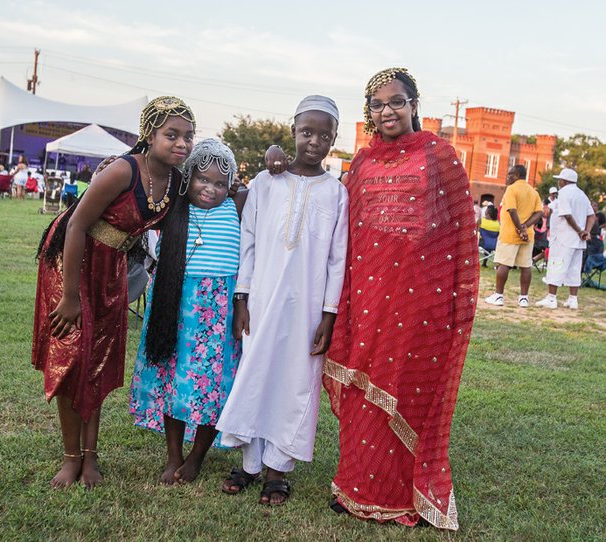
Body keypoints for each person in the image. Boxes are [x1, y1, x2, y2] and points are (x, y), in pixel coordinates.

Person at [270, 68, 478, 529]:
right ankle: (356, 488)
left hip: (418, 299)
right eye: (378, 105)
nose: (387, 111)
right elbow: (340, 225)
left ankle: (405, 495)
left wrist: (447, 300)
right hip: (365, 293)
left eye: (396, 102)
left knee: (407, 386)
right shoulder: (361, 163)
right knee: (363, 387)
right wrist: (280, 169)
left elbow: (458, 232)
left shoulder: (439, 156)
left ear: (414, 105)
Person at [32, 96, 195, 489]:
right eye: (171, 135)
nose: (181, 144)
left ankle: (91, 459)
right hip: (71, 264)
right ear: (149, 135)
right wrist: (70, 298)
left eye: (188, 136)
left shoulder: (175, 181)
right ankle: (72, 459)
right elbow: (75, 227)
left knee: (98, 361)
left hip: (112, 268)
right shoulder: (122, 171)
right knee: (74, 361)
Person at [216, 95, 349, 506]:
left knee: (294, 383)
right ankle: (249, 463)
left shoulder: (336, 193)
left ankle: (278, 469)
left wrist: (328, 314)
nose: (314, 142)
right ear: (292, 132)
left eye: (323, 135)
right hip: (261, 300)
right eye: (306, 132)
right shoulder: (265, 182)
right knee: (256, 374)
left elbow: (337, 258)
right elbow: (249, 244)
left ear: (333, 140)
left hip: (308, 308)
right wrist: (242, 298)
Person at [130, 139, 245, 485]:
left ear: (232, 185)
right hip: (173, 305)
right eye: (203, 180)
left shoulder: (237, 206)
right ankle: (174, 455)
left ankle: (196, 458)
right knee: (172, 379)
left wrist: (274, 159)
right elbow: (144, 179)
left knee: (213, 384)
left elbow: (270, 187)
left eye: (220, 183)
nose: (211, 189)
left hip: (218, 312)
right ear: (188, 178)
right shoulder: (173, 206)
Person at [536, 168, 596, 309]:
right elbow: (591, 215)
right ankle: (573, 299)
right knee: (575, 268)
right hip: (578, 240)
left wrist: (580, 231)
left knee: (556, 265)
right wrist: (586, 231)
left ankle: (551, 298)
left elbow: (567, 215)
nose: (558, 182)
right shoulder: (582, 194)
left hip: (564, 237)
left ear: (564, 181)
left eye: (560, 179)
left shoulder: (563, 193)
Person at [483, 165, 542, 307]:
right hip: (527, 236)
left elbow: (512, 210)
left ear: (516, 175)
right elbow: (539, 213)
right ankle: (524, 299)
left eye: (510, 174)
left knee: (503, 264)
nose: (507, 177)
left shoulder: (511, 189)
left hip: (510, 234)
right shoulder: (533, 192)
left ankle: (498, 296)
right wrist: (525, 227)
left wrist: (519, 228)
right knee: (526, 266)